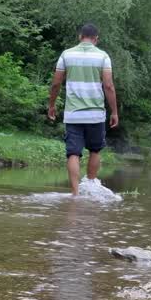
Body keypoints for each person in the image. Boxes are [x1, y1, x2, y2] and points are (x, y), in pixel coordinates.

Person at [47, 23, 119, 196]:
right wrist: (114, 112)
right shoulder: (103, 56)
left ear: (80, 37)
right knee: (95, 149)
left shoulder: (66, 54)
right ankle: (91, 185)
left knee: (73, 152)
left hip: (73, 114)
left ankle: (75, 194)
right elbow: (108, 86)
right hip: (95, 114)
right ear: (96, 39)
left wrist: (51, 105)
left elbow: (56, 83)